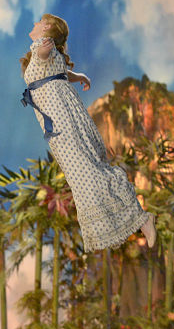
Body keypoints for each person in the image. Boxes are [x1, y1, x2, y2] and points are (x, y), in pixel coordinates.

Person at [20, 14, 156, 251]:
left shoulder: (43, 46)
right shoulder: (51, 54)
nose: (34, 24)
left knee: (88, 175)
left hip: (63, 125)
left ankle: (141, 219)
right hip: (61, 125)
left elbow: (43, 54)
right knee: (84, 176)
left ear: (47, 28)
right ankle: (135, 219)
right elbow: (60, 71)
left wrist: (43, 47)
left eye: (39, 22)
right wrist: (80, 76)